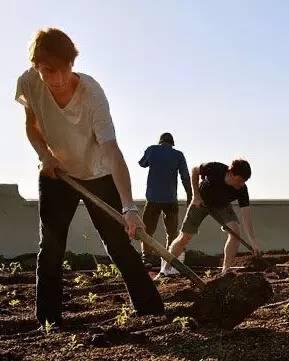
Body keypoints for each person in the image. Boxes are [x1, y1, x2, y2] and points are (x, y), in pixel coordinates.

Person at [14, 28, 164, 328]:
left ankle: (152, 312)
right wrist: (45, 156)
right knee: (52, 246)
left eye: (64, 69)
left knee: (119, 243)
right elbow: (31, 125)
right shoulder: (28, 82)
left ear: (73, 63)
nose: (56, 78)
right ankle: (49, 320)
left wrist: (129, 208)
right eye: (48, 71)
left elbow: (111, 149)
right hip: (57, 174)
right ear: (36, 66)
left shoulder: (92, 94)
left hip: (98, 174)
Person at [157, 160, 260, 278]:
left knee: (235, 232)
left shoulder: (242, 190)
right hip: (201, 202)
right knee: (184, 237)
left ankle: (225, 273)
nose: (242, 184)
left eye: (244, 181)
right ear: (231, 173)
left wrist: (253, 242)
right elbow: (195, 170)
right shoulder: (216, 168)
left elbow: (246, 215)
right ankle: (165, 270)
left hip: (222, 206)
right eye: (240, 180)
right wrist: (196, 195)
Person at [139, 132, 192, 268]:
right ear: (172, 143)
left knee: (148, 230)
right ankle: (170, 259)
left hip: (153, 198)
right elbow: (185, 176)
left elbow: (142, 164)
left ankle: (146, 258)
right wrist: (190, 196)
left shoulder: (152, 150)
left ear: (160, 141)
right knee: (172, 232)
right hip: (170, 199)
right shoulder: (178, 155)